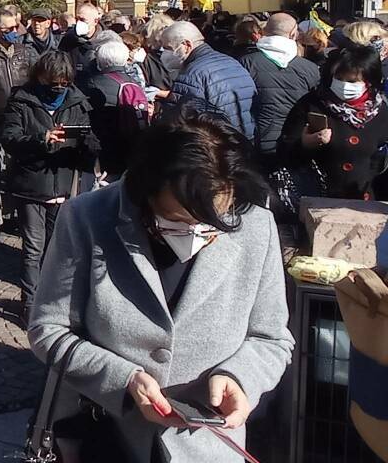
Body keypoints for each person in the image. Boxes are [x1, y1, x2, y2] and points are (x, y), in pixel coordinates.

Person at [28, 106, 293, 462]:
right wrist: (123, 381)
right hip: (101, 433)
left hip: (206, 445)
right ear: (147, 193)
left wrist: (241, 378)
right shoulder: (89, 217)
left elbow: (271, 338)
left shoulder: (255, 226)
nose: (198, 235)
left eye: (212, 223)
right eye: (179, 220)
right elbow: (49, 329)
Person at [4, 51, 98, 323]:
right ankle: (30, 303)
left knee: (56, 248)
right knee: (33, 248)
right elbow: (9, 140)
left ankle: (52, 300)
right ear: (40, 77)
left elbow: (89, 141)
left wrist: (88, 146)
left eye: (63, 82)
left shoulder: (78, 102)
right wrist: (41, 139)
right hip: (31, 185)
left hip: (64, 183)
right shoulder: (22, 101)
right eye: (53, 82)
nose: (58, 87)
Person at [279, 46, 388, 201]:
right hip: (318, 199)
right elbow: (284, 150)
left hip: (366, 202)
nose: (344, 85)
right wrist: (304, 144)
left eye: (352, 81)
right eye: (339, 78)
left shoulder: (381, 110)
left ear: (368, 82)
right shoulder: (312, 103)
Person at [0, 7, 36, 240]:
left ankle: (13, 214)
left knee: (16, 167)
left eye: (17, 27)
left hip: (21, 118)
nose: (16, 32)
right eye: (11, 29)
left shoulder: (25, 52)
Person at [239, 13, 320, 170]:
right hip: (296, 141)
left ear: (265, 31)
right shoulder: (310, 68)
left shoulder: (247, 62)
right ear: (293, 34)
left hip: (257, 141)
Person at [162, 21, 256, 139]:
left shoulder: (191, 75)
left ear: (186, 45)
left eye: (167, 48)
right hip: (243, 141)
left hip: (215, 146)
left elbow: (176, 123)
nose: (164, 53)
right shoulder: (232, 62)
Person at [83, 38, 144, 179]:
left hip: (102, 152)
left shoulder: (92, 84)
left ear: (99, 61)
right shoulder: (134, 82)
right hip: (131, 150)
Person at [59, 3, 103, 79]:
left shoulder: (105, 40)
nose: (79, 23)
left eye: (83, 20)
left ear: (95, 21)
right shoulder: (68, 39)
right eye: (77, 19)